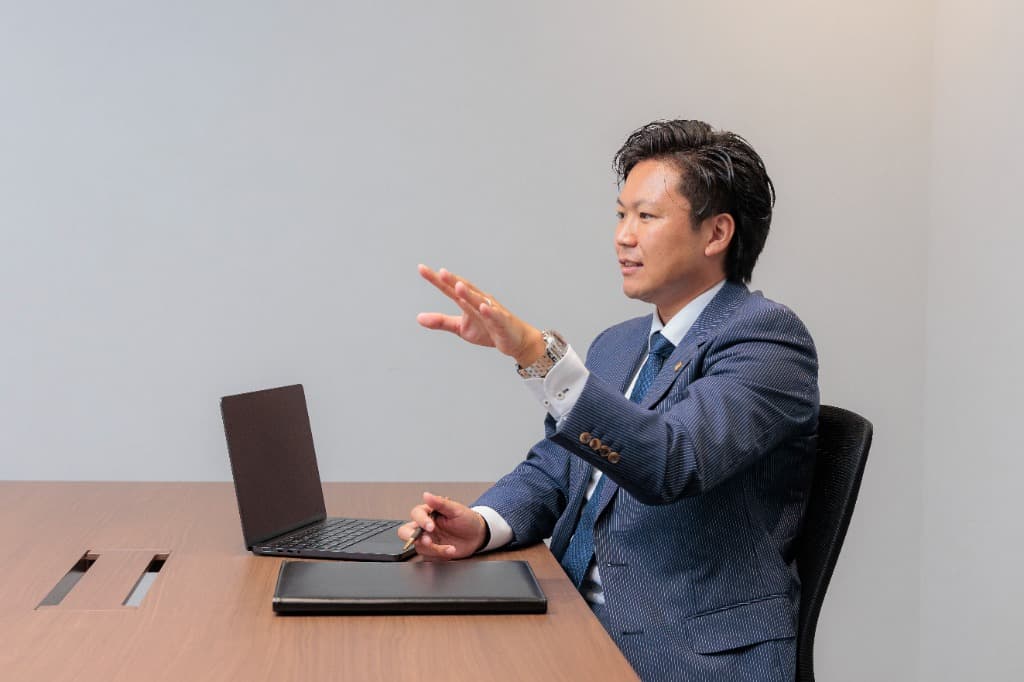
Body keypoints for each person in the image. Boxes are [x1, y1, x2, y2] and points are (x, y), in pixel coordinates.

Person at [398, 119, 819, 682]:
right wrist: (481, 522)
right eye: (621, 215)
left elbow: (673, 461)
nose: (623, 235)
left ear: (716, 234)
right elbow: (558, 469)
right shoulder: (620, 344)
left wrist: (537, 354)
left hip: (686, 652)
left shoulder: (767, 338)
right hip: (570, 621)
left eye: (646, 216)